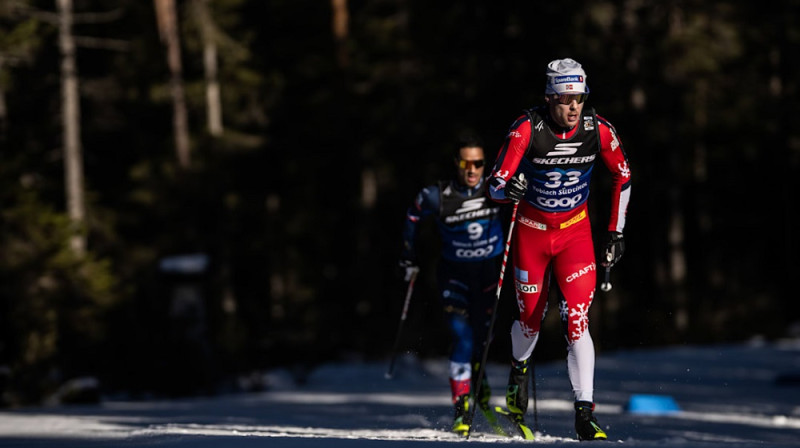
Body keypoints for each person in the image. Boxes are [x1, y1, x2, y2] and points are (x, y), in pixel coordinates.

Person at [487, 58, 631, 441]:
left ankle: (585, 412)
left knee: (576, 319)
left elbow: (623, 175)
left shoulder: (596, 130)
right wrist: (508, 190)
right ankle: (519, 369)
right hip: (531, 234)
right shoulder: (526, 129)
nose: (573, 108)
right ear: (549, 98)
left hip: (574, 234)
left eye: (579, 99)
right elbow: (494, 183)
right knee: (530, 321)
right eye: (565, 99)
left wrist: (616, 231)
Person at [399, 136, 507, 436]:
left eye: (478, 163)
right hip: (454, 276)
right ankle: (461, 406)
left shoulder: (495, 188)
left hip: (489, 278)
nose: (472, 170)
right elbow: (412, 215)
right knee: (462, 337)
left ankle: (479, 379)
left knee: (483, 337)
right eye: (465, 163)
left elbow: (526, 209)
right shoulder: (439, 195)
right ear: (456, 164)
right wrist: (409, 255)